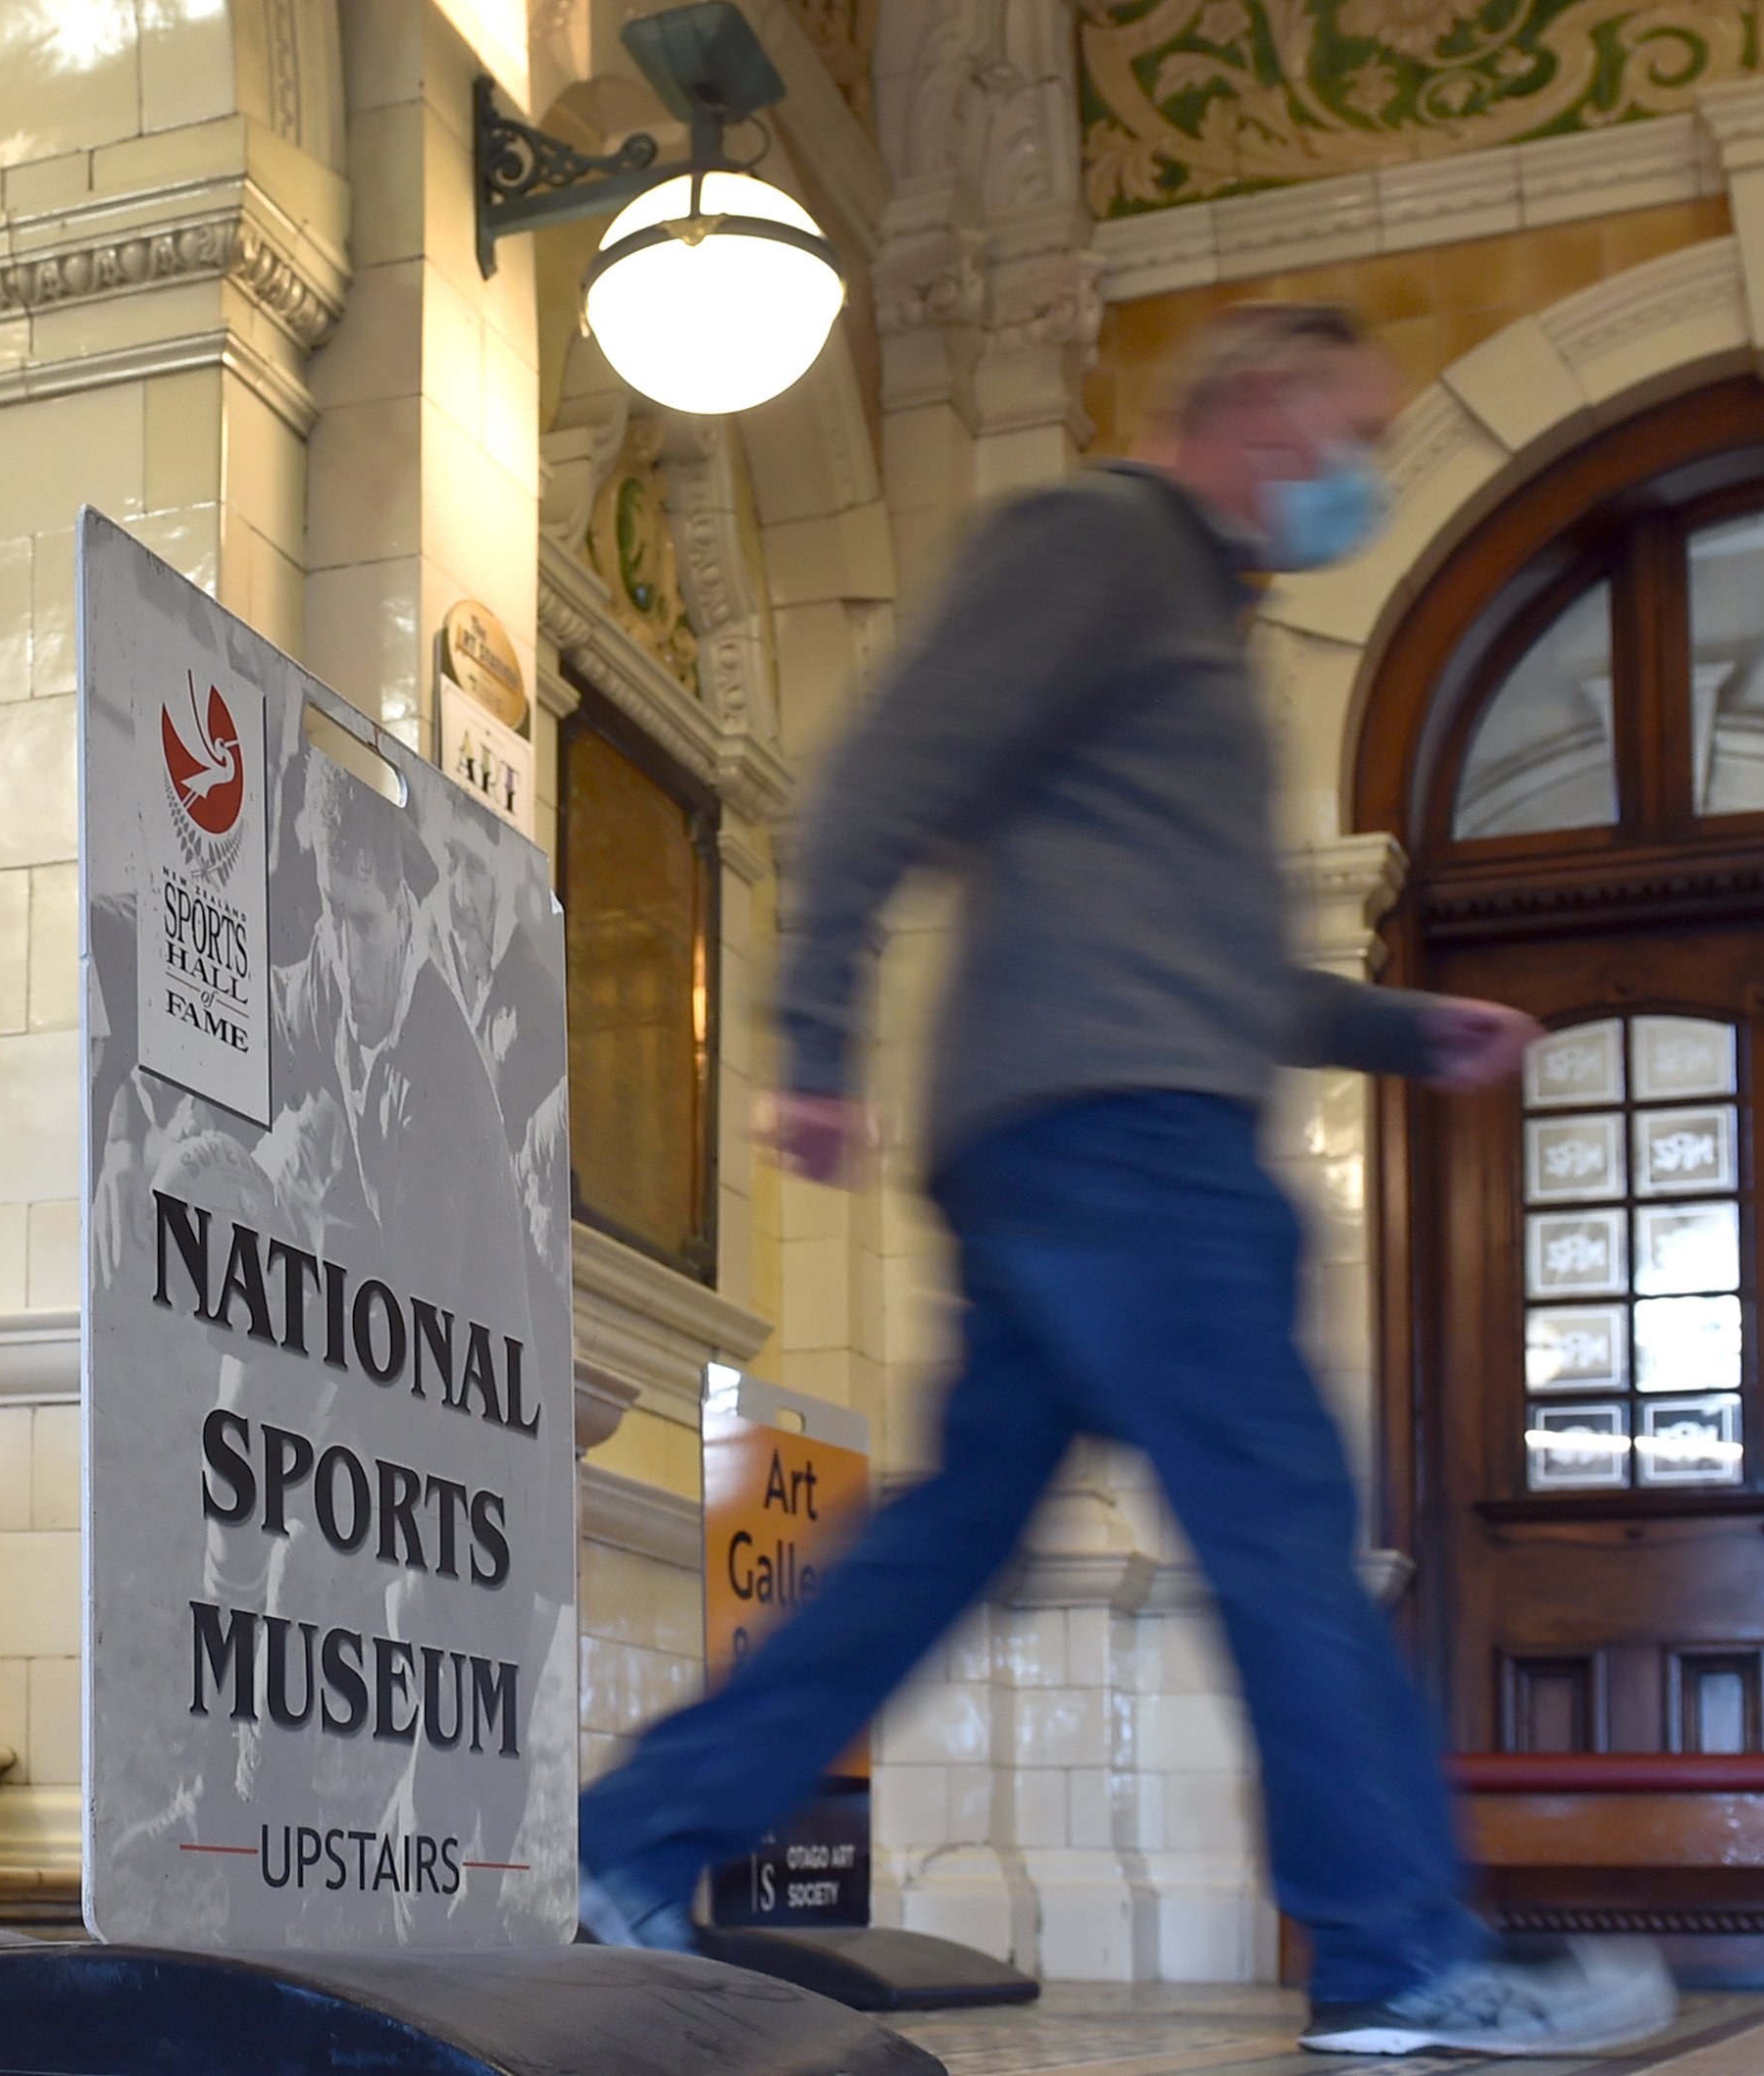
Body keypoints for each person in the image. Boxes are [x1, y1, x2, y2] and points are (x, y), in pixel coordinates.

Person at [575, 303, 1677, 2056]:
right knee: (1282, 1527)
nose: (1359, 476)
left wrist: (1402, 1030)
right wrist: (814, 1037)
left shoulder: (1190, 622)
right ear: (1261, 413)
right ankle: (1399, 1955)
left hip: (1082, 1134)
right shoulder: (1096, 543)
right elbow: (878, 779)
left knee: (944, 1541)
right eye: (1352, 432)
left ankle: (635, 1839)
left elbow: (1214, 957)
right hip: (1126, 1144)